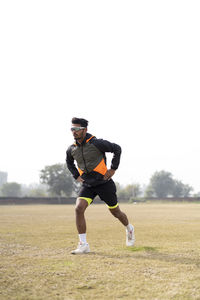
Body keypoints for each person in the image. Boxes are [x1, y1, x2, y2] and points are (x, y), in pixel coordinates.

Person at [66, 117, 135, 254]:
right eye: (72, 129)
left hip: (104, 183)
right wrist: (76, 176)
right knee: (78, 209)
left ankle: (129, 228)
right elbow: (69, 162)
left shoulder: (97, 143)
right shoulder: (71, 149)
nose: (74, 132)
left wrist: (113, 169)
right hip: (88, 185)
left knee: (116, 212)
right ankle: (83, 244)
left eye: (77, 129)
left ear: (85, 130)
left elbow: (117, 148)